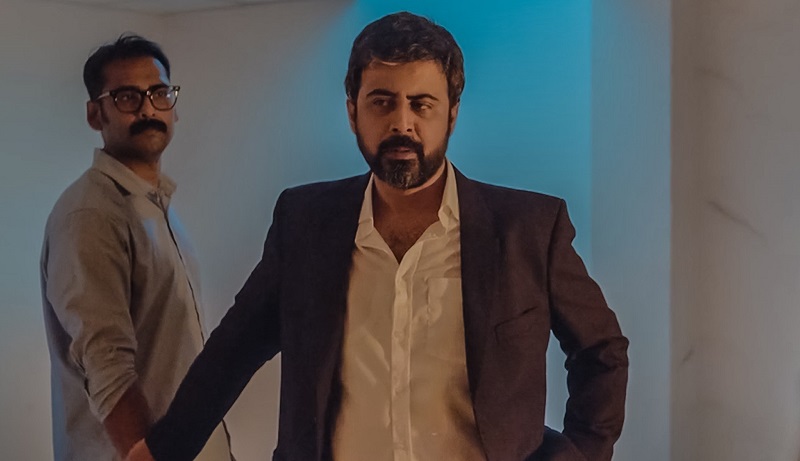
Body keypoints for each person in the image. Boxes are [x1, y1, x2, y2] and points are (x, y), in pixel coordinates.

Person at [128, 12, 629, 461]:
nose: (401, 123)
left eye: (421, 104)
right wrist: (159, 450)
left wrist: (581, 454)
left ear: (452, 113)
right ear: (353, 112)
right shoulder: (304, 224)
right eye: (382, 102)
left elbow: (601, 351)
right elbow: (232, 352)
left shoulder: (527, 229)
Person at [40, 34, 232, 461]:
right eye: (127, 97)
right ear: (95, 114)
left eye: (159, 93)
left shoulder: (154, 206)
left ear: (174, 106)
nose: (148, 109)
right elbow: (107, 365)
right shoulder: (91, 215)